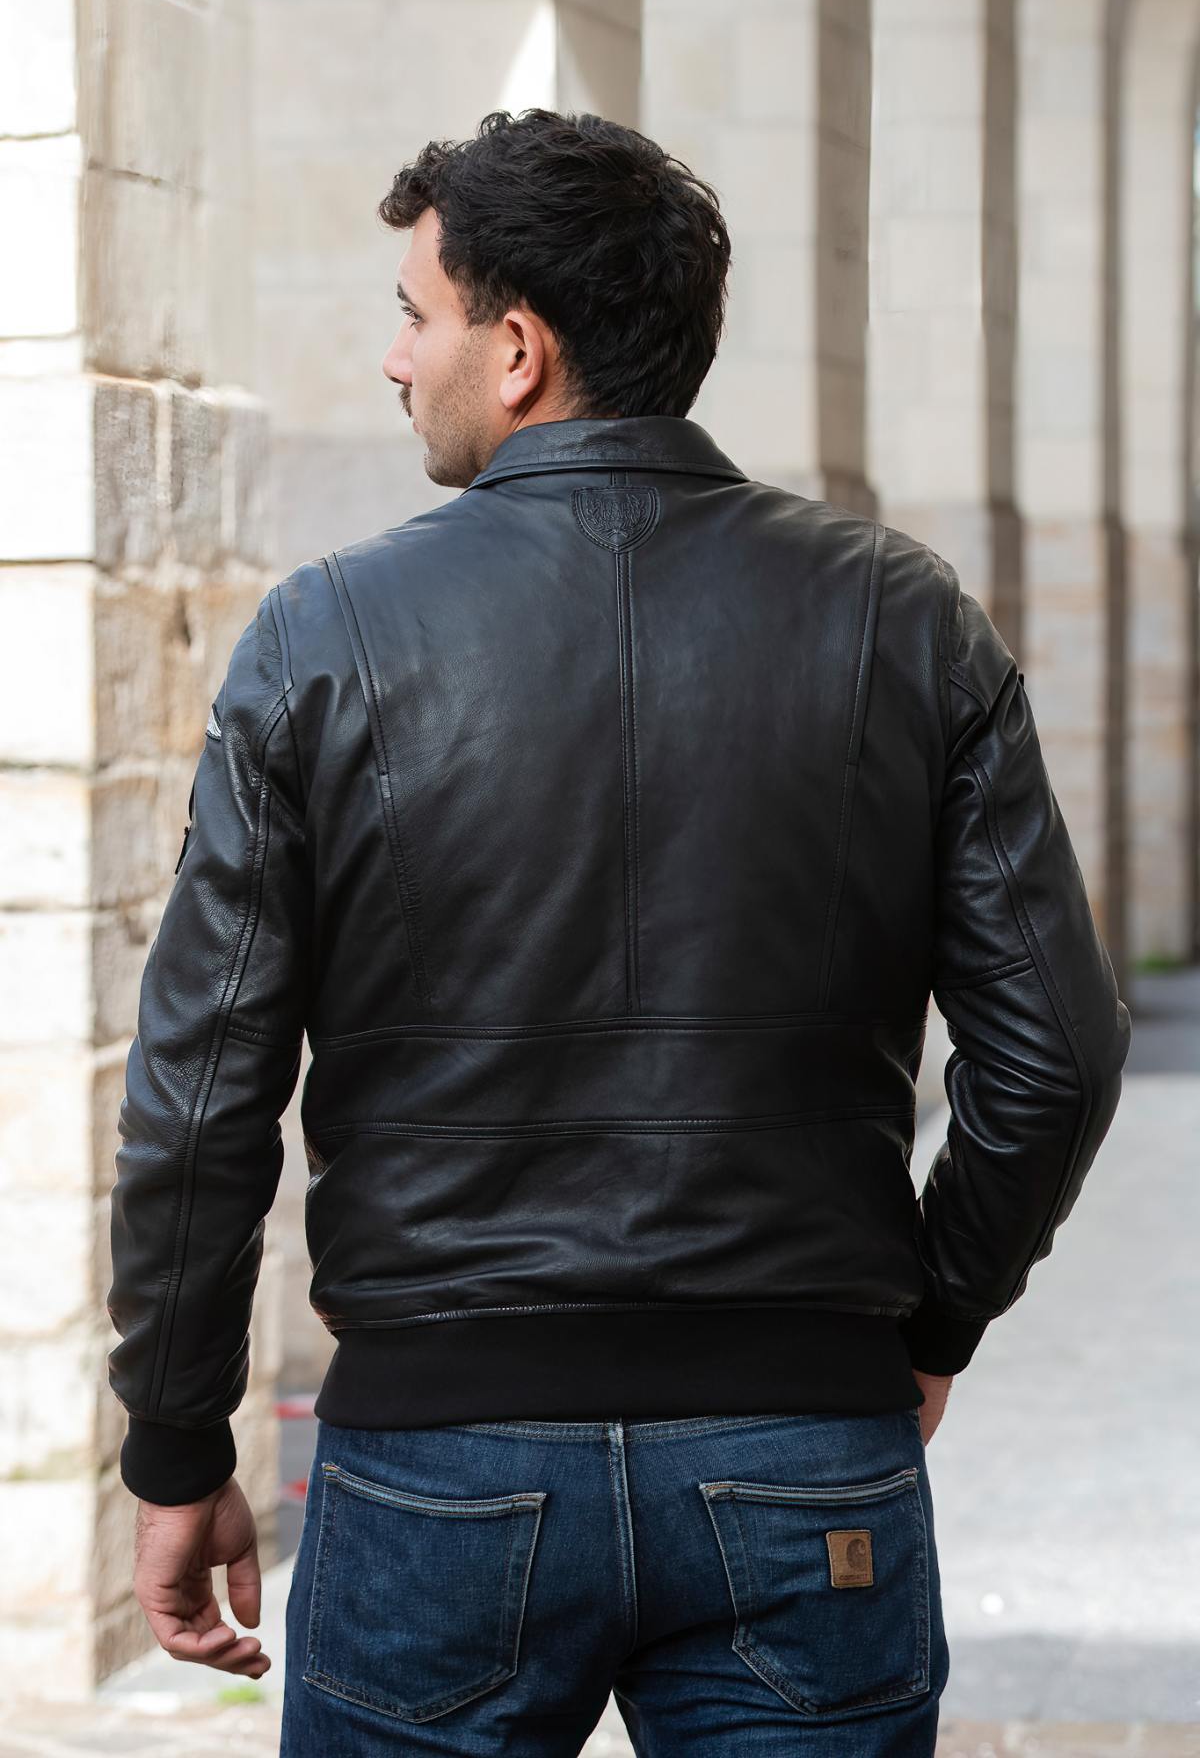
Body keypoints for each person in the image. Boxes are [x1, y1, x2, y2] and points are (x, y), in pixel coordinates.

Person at [107, 108, 1132, 1756]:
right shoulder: (905, 618)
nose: (393, 358)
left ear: (517, 350)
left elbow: (202, 1087)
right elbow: (1059, 1059)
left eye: (414, 314)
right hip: (804, 1449)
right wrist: (924, 1321)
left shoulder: (324, 635)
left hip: (439, 1462)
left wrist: (175, 1441)